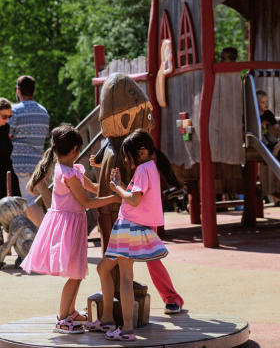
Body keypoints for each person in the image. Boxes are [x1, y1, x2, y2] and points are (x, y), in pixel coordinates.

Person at [21, 124, 121, 335]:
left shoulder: (68, 169)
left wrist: (109, 179)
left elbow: (94, 187)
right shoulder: (69, 174)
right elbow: (86, 202)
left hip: (69, 223)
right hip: (68, 226)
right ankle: (62, 318)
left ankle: (71, 312)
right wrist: (114, 198)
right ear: (75, 150)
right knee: (74, 274)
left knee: (77, 272)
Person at [85, 129, 185, 341]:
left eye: (128, 156)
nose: (127, 161)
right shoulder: (150, 168)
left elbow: (134, 200)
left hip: (128, 227)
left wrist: (117, 189)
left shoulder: (143, 169)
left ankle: (127, 328)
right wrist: (121, 185)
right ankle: (108, 319)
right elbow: (134, 196)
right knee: (104, 268)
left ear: (141, 152)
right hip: (128, 226)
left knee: (126, 278)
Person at [9, 75, 50, 227]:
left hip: (18, 164)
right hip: (37, 164)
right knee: (25, 203)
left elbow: (7, 136)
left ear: (18, 90)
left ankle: (47, 233)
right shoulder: (43, 112)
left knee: (27, 202)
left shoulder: (15, 111)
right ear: (33, 90)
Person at [0, 98, 21, 199]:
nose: (7, 119)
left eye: (10, 116)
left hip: (9, 175)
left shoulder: (5, 127)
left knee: (16, 210)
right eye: (4, 117)